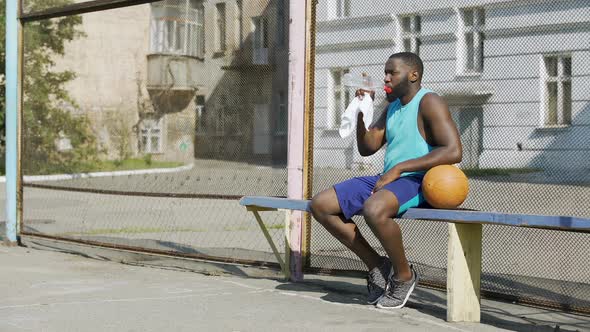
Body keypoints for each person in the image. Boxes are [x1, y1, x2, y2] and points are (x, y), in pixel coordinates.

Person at [310, 52, 462, 309]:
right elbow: (367, 147)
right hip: (390, 178)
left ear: (413, 75)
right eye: (385, 72)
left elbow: (453, 150)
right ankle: (378, 265)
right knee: (320, 205)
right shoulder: (392, 107)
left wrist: (400, 169)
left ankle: (404, 276)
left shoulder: (429, 101)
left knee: (374, 209)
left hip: (418, 181)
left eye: (392, 72)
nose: (386, 78)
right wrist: (360, 112)